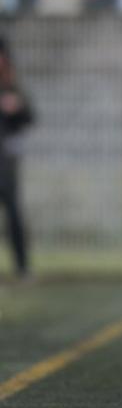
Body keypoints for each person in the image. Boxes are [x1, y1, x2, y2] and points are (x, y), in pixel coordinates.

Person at [0, 36, 33, 281]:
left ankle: (22, 268)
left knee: (13, 214)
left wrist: (16, 107)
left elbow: (29, 117)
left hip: (6, 162)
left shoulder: (11, 87)